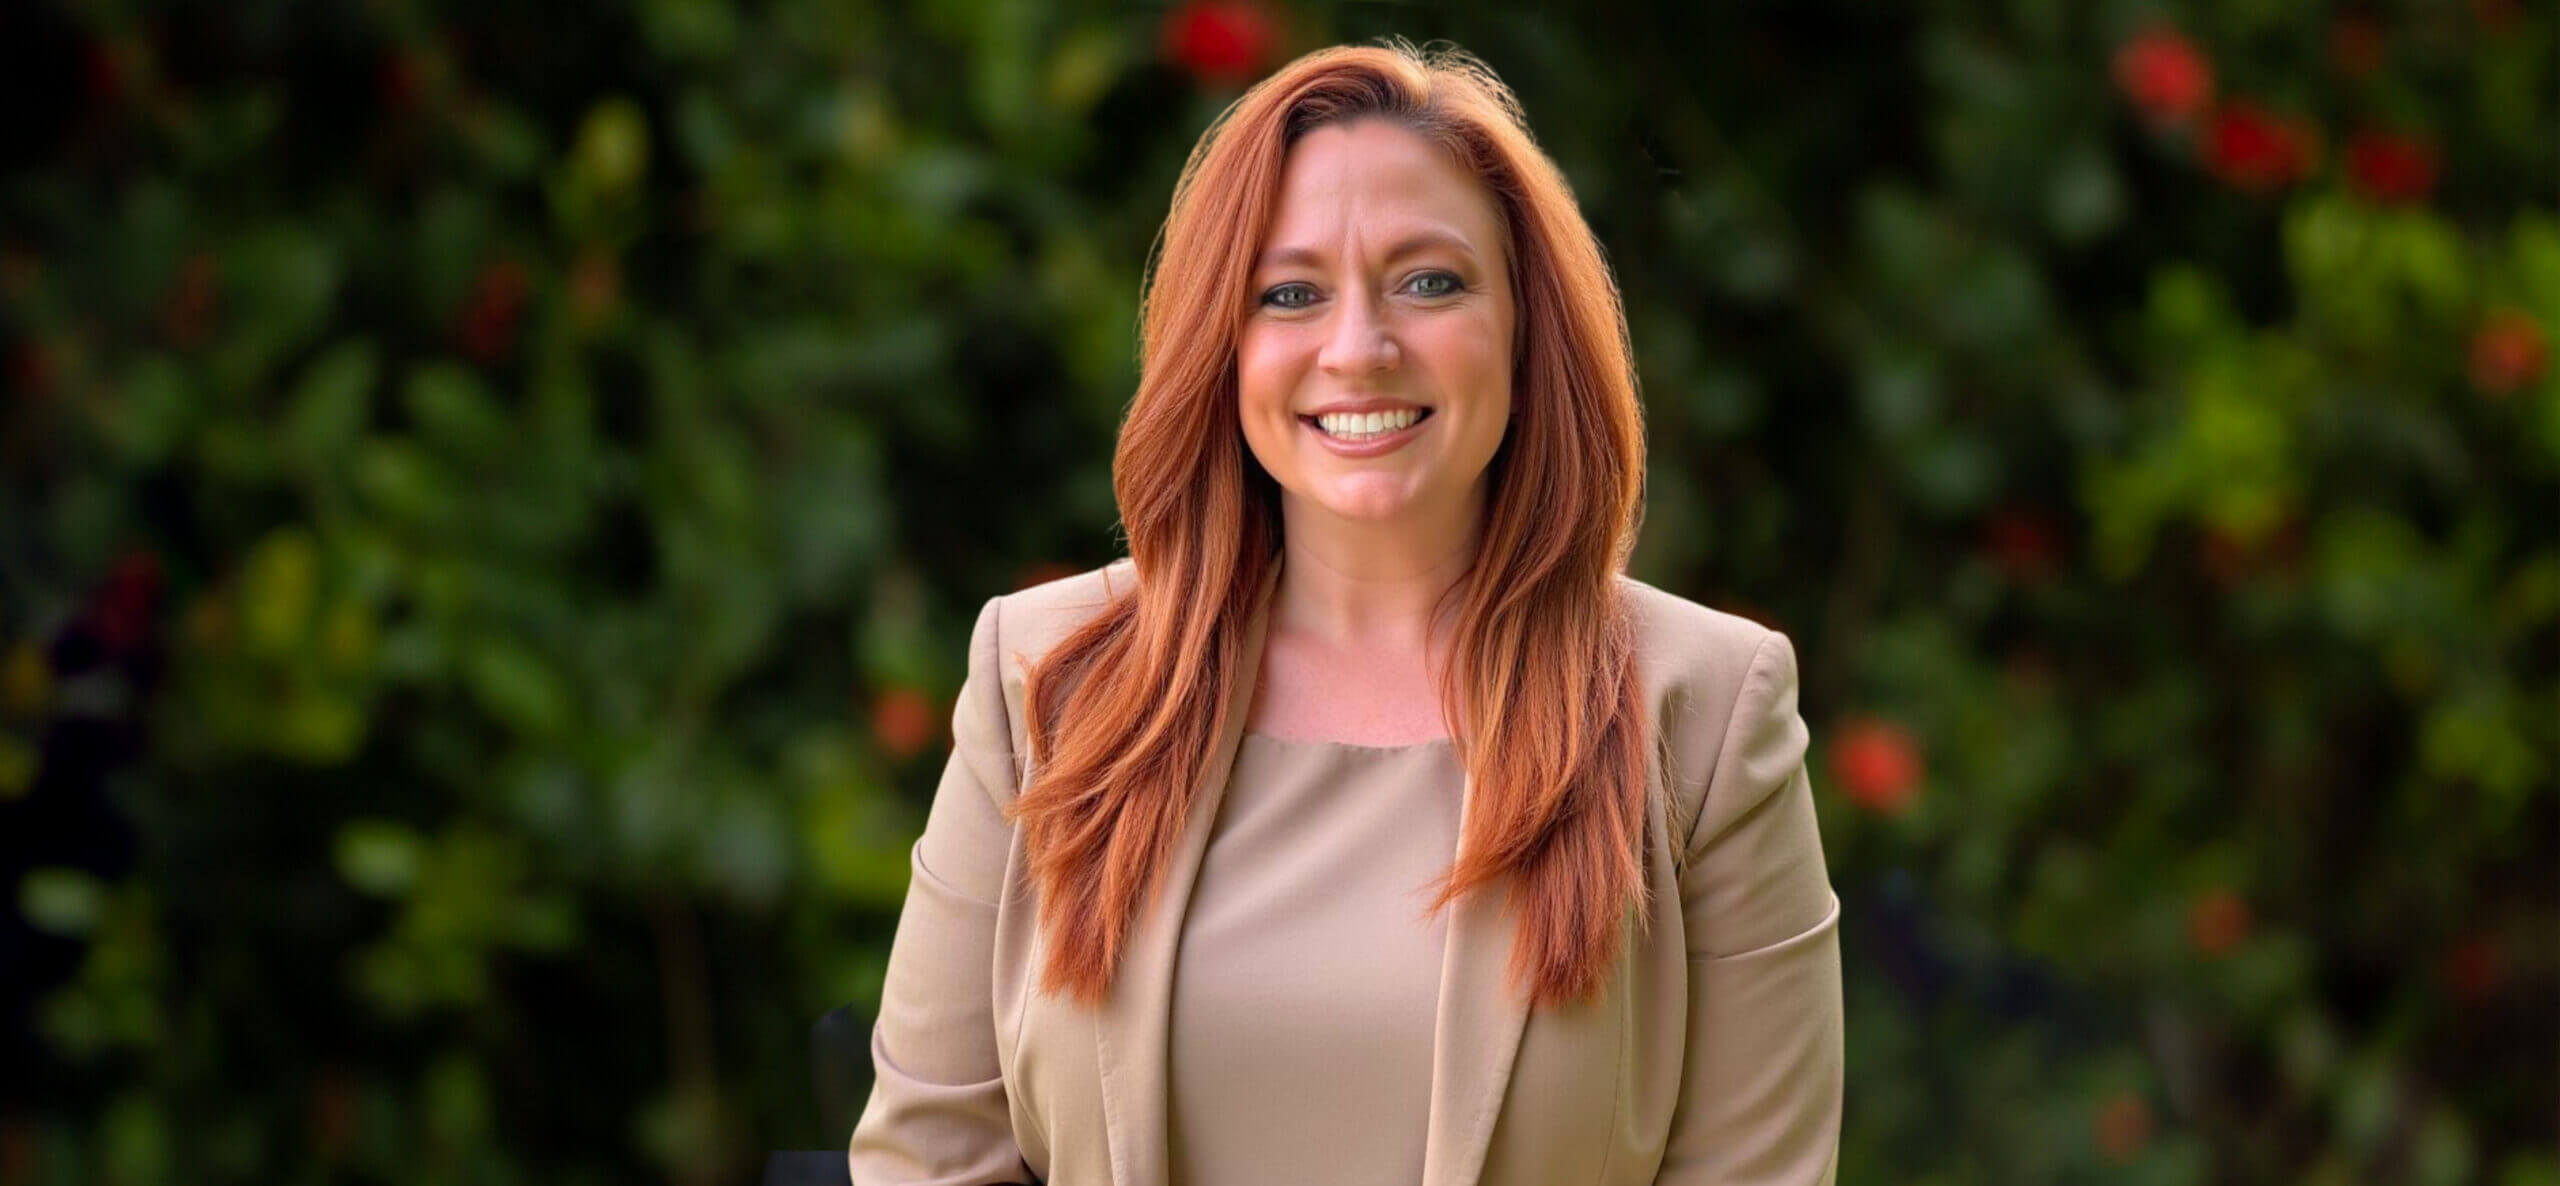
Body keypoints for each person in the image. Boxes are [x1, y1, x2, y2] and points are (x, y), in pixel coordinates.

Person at [849, 37, 1842, 1186]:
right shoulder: (1043, 679)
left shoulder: (1707, 709)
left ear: (1527, 326)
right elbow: (929, 1158)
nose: (1358, 348)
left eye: (1430, 281)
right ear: (1220, 345)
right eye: (1290, 293)